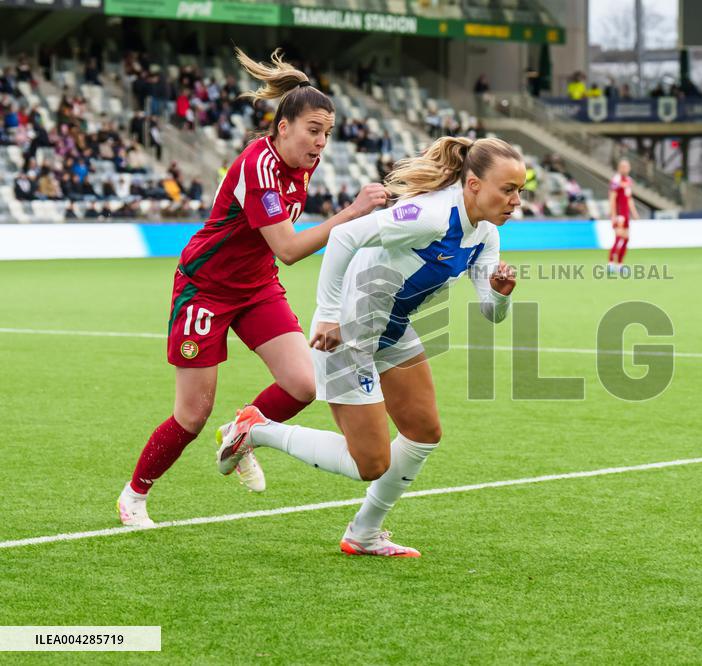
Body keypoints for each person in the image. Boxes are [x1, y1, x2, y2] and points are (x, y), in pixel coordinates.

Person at [213, 136, 524, 557]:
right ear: (472, 185)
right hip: (348, 334)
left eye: (520, 191)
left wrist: (501, 293)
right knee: (371, 463)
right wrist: (328, 314)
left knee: (424, 433)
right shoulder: (431, 215)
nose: (516, 201)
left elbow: (491, 312)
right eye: (508, 189)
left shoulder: (485, 235)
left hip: (393, 329)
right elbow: (343, 239)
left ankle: (363, 534)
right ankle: (256, 428)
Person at [116, 47, 388, 527]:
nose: (321, 143)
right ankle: (134, 495)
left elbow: (274, 254)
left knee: (304, 384)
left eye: (326, 133)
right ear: (283, 127)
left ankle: (243, 428)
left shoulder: (301, 163)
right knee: (192, 415)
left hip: (256, 286)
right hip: (205, 288)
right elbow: (286, 247)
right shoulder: (257, 166)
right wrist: (350, 214)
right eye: (313, 131)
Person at [608, 159, 639, 272]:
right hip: (619, 213)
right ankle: (611, 264)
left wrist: (634, 212)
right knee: (618, 237)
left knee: (626, 239)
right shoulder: (616, 180)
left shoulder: (629, 181)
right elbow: (612, 198)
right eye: (623, 167)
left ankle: (620, 265)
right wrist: (613, 215)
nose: (625, 169)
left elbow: (629, 198)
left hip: (626, 214)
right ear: (619, 168)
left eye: (627, 166)